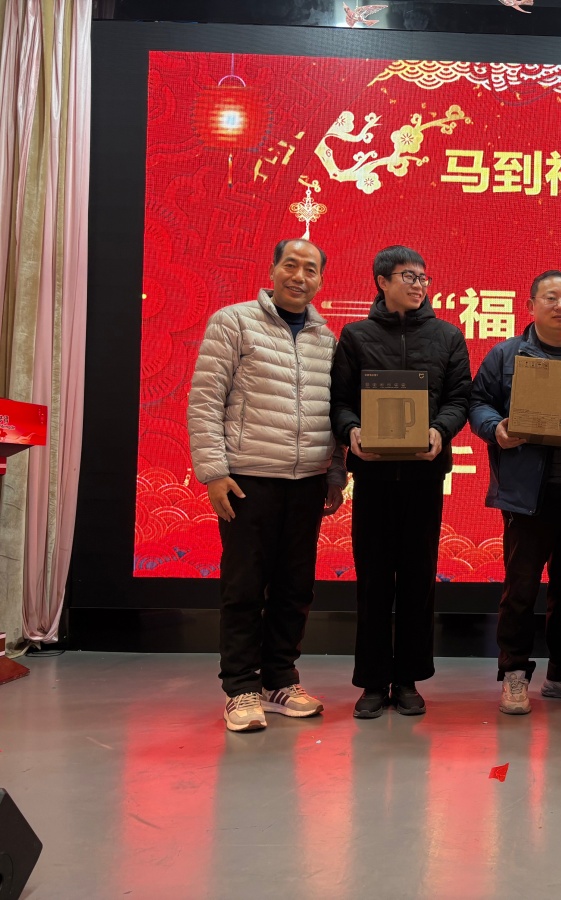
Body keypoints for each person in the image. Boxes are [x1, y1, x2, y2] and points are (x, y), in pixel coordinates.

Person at [188, 238, 346, 733]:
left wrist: (335, 473)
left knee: (295, 588)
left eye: (311, 270)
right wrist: (214, 472)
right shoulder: (233, 322)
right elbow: (205, 400)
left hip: (306, 483)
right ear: (273, 270)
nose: (300, 276)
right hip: (247, 480)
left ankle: (280, 680)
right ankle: (240, 687)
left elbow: (333, 412)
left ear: (321, 281)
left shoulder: (326, 338)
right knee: (243, 587)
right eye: (291, 265)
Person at [330, 246, 471, 718]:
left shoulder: (448, 336)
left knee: (417, 577)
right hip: (372, 476)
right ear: (382, 281)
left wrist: (440, 430)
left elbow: (459, 398)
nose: (419, 285)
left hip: (424, 475)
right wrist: (351, 431)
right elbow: (339, 401)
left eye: (424, 277)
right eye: (409, 276)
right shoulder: (356, 336)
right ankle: (373, 681)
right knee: (373, 579)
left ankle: (408, 678)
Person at [469, 270, 561, 714]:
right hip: (526, 493)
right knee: (521, 588)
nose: (560, 305)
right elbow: (477, 403)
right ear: (530, 306)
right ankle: (514, 673)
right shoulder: (506, 354)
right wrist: (497, 428)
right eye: (551, 297)